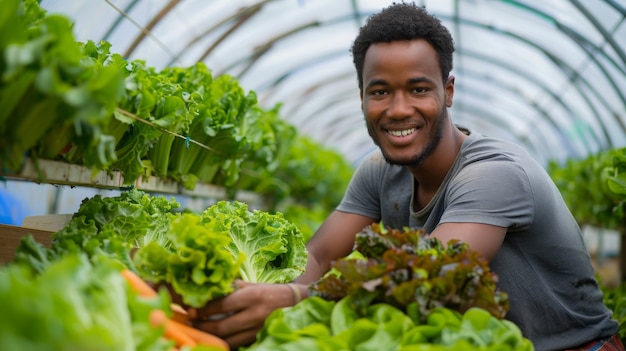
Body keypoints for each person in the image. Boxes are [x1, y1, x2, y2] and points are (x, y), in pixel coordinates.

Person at [189, 3, 622, 350]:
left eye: (418, 89)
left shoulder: (495, 174)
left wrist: (293, 301)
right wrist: (259, 293)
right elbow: (319, 257)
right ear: (361, 97)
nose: (398, 109)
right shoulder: (379, 173)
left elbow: (427, 277)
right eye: (380, 91)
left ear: (447, 91)